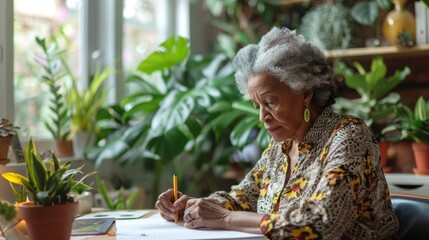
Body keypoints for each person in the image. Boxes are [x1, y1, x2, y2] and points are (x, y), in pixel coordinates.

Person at [155, 27, 399, 239]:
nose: (263, 116)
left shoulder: (348, 136)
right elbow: (240, 198)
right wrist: (194, 206)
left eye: (271, 102)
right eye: (257, 106)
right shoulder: (280, 147)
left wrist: (226, 219)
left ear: (305, 92)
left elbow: (323, 222)